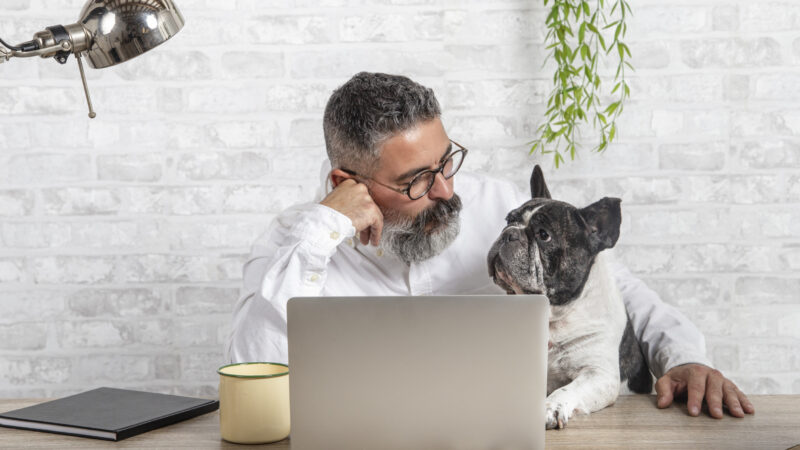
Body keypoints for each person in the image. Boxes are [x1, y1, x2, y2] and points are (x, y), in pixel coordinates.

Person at [227, 72, 754, 419]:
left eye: (447, 161)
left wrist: (681, 356)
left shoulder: (504, 210)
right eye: (416, 180)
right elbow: (254, 382)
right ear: (348, 180)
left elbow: (616, 289)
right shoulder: (294, 245)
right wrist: (321, 231)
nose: (446, 191)